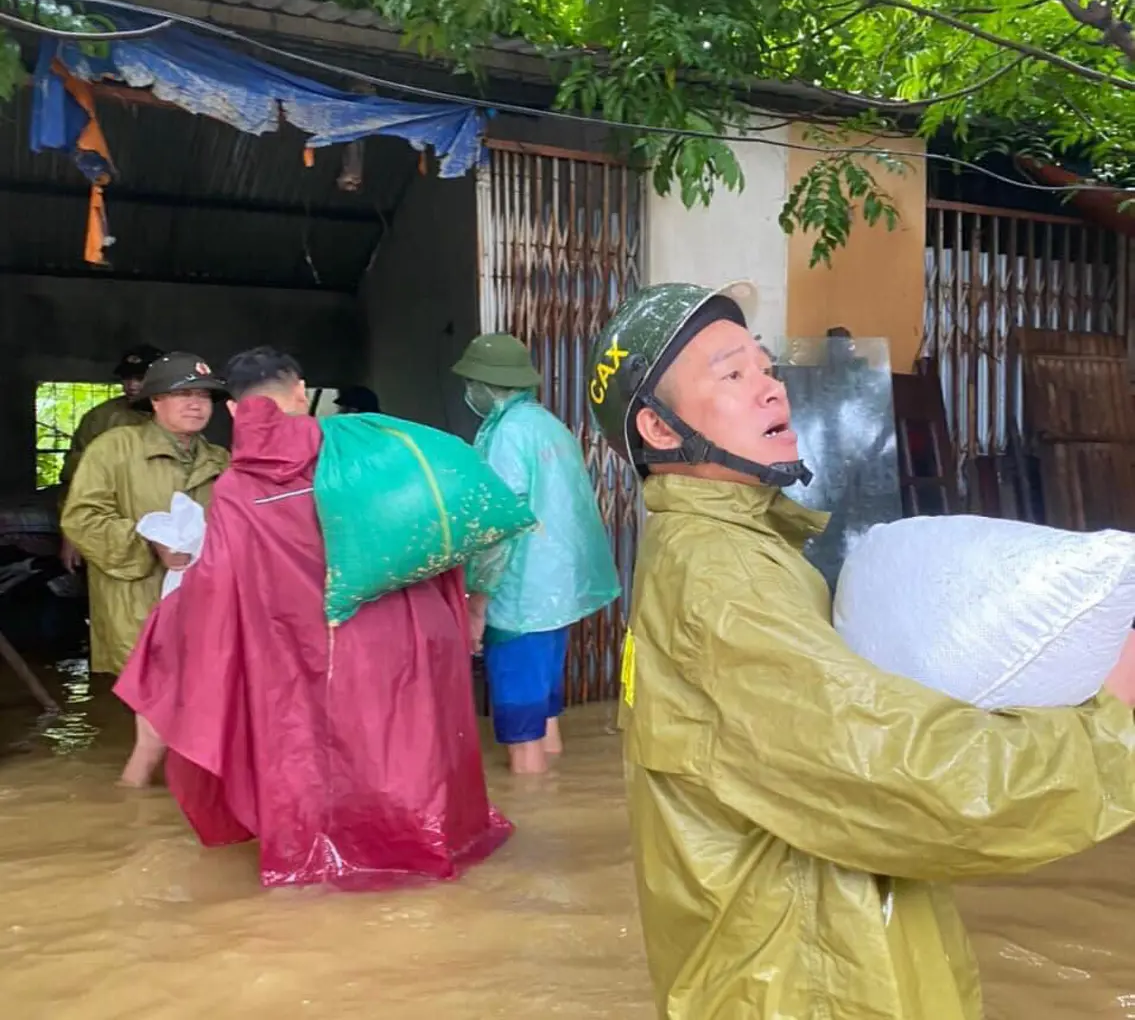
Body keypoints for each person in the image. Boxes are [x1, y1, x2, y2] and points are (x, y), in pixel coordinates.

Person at [586, 280, 1135, 1020]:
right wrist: (1110, 727)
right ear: (658, 430)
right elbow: (896, 780)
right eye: (731, 373)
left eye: (765, 366)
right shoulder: (723, 580)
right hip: (809, 986)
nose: (770, 388)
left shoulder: (734, 550)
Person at [114, 346, 512, 887]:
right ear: (300, 393)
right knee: (401, 746)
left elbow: (215, 586)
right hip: (393, 636)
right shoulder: (358, 453)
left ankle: (322, 863)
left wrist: (163, 634)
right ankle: (423, 849)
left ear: (233, 411)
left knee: (307, 752)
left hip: (301, 650)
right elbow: (437, 523)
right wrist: (466, 606)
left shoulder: (235, 488)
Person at [453, 333, 620, 774]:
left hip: (520, 597)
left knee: (521, 733)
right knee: (545, 719)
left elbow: (499, 524)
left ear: (486, 385)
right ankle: (553, 807)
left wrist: (478, 601)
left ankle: (533, 823)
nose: (469, 392)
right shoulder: (548, 424)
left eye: (472, 383)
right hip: (555, 593)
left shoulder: (507, 434)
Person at [61, 351, 228, 681]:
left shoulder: (220, 459)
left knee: (198, 697)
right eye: (183, 393)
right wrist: (149, 543)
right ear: (155, 401)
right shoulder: (114, 448)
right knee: (147, 697)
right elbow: (83, 517)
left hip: (202, 602)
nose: (196, 404)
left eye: (203, 395)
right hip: (135, 602)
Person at [58, 343, 163, 570]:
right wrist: (71, 535)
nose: (132, 385)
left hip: (166, 530)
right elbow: (75, 482)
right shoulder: (101, 418)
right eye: (127, 378)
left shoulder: (179, 416)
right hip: (112, 528)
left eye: (140, 377)